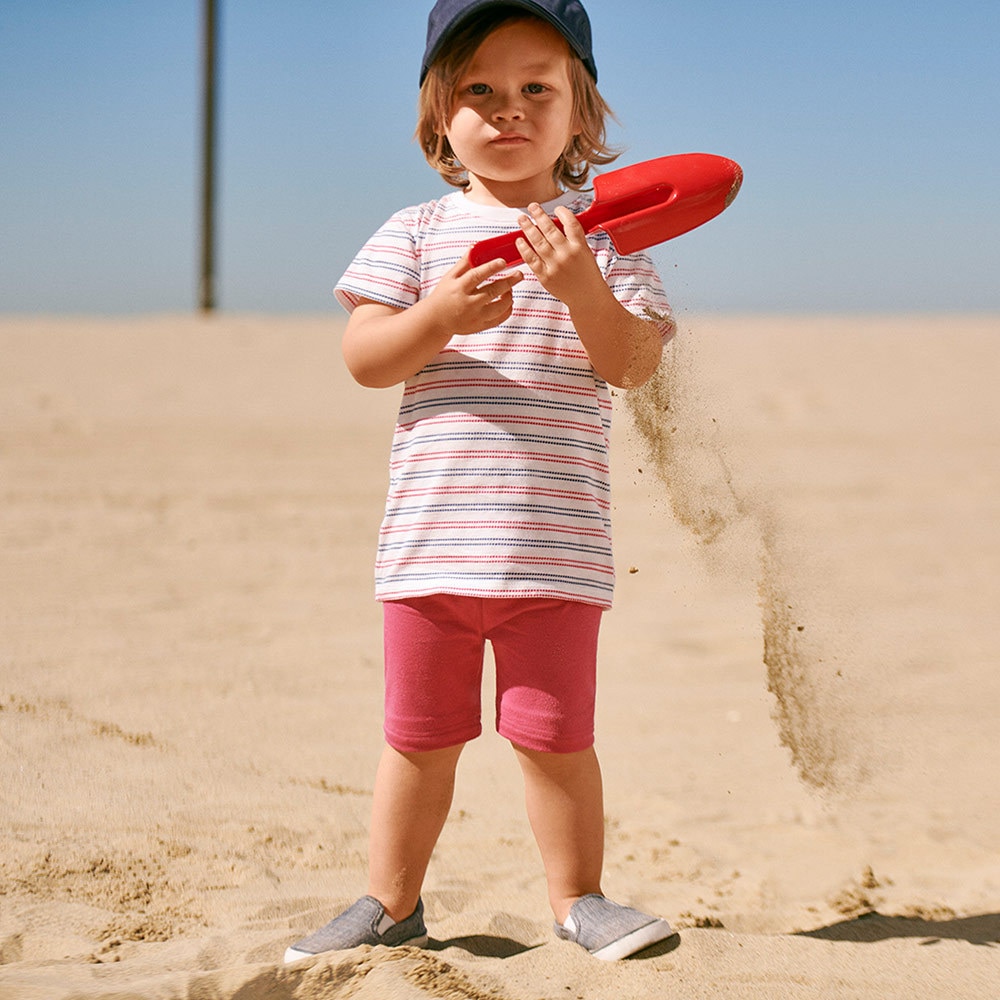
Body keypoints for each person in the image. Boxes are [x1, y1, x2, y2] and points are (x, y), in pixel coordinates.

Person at [285, 0, 678, 964]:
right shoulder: (418, 233)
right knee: (419, 740)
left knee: (555, 743)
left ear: (581, 113)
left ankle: (580, 899)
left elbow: (633, 364)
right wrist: (438, 316)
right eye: (480, 91)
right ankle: (389, 901)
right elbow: (367, 359)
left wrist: (580, 284)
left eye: (536, 89)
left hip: (556, 551)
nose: (508, 111)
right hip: (430, 549)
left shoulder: (612, 237)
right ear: (439, 117)